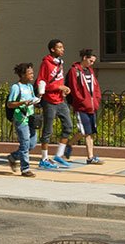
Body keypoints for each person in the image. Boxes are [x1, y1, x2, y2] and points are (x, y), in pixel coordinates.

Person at [34, 38, 77, 169]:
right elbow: (41, 83)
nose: (62, 49)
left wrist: (64, 88)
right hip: (49, 101)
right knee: (48, 130)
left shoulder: (59, 64)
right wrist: (58, 88)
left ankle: (59, 155)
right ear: (53, 49)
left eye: (62, 47)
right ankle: (44, 159)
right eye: (59, 47)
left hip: (60, 100)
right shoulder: (46, 64)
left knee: (68, 127)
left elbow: (58, 81)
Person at [64, 48, 103, 164]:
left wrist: (96, 100)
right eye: (91, 61)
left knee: (89, 132)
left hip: (92, 106)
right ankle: (74, 147)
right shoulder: (74, 71)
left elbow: (96, 87)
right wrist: (82, 100)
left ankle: (88, 155)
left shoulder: (90, 71)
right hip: (81, 106)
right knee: (84, 131)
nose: (92, 64)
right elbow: (74, 89)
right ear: (85, 58)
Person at [5, 62, 39, 177]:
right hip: (21, 118)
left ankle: (13, 156)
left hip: (31, 117)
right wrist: (22, 103)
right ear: (23, 75)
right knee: (25, 143)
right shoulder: (16, 87)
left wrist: (37, 100)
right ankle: (25, 169)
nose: (32, 75)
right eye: (30, 73)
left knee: (32, 143)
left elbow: (32, 98)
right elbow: (10, 104)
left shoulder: (29, 87)